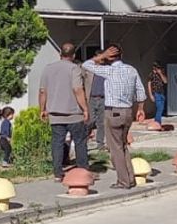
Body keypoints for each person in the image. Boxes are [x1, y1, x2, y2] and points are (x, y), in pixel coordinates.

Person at [82, 42, 147, 189]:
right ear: (121, 55)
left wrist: (101, 56)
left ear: (109, 57)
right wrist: (141, 109)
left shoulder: (109, 71)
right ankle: (130, 178)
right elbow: (140, 92)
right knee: (123, 146)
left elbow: (86, 65)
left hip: (113, 111)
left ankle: (123, 181)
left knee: (115, 148)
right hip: (128, 111)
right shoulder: (132, 70)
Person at [39, 42, 91, 181]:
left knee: (57, 143)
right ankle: (83, 171)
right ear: (73, 55)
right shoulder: (74, 68)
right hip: (74, 113)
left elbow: (43, 91)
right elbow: (77, 89)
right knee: (80, 142)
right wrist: (85, 109)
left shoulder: (48, 69)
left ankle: (58, 173)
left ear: (60, 53)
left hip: (55, 113)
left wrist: (42, 109)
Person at [86, 50, 107, 150]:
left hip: (103, 98)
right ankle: (84, 141)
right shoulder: (90, 69)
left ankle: (100, 144)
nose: (102, 59)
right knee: (90, 121)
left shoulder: (106, 70)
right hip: (91, 98)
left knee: (101, 122)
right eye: (100, 57)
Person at [148, 62, 169, 127]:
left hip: (162, 93)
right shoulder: (151, 74)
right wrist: (151, 95)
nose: (158, 69)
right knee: (159, 108)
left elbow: (165, 81)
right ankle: (157, 122)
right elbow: (149, 85)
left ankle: (157, 122)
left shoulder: (161, 73)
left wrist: (160, 73)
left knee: (161, 108)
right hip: (156, 93)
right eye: (157, 67)